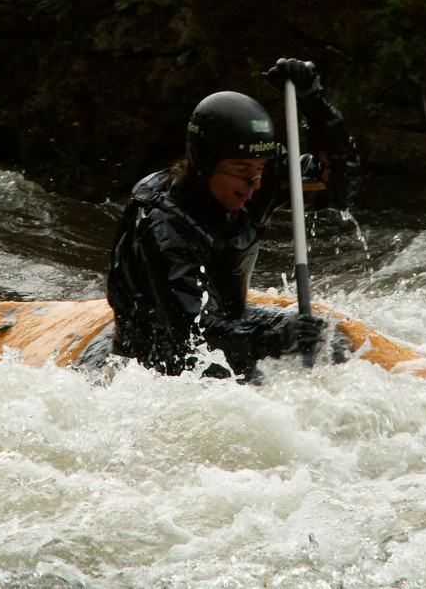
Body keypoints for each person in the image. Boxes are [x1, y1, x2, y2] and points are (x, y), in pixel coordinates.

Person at [106, 58, 362, 381]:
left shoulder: (261, 177)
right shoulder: (161, 222)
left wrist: (314, 102)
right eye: (242, 171)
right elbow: (194, 330)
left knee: (328, 341)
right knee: (230, 375)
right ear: (204, 163)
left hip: (231, 322)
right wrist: (278, 335)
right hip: (163, 350)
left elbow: (339, 186)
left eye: (260, 168)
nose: (254, 183)